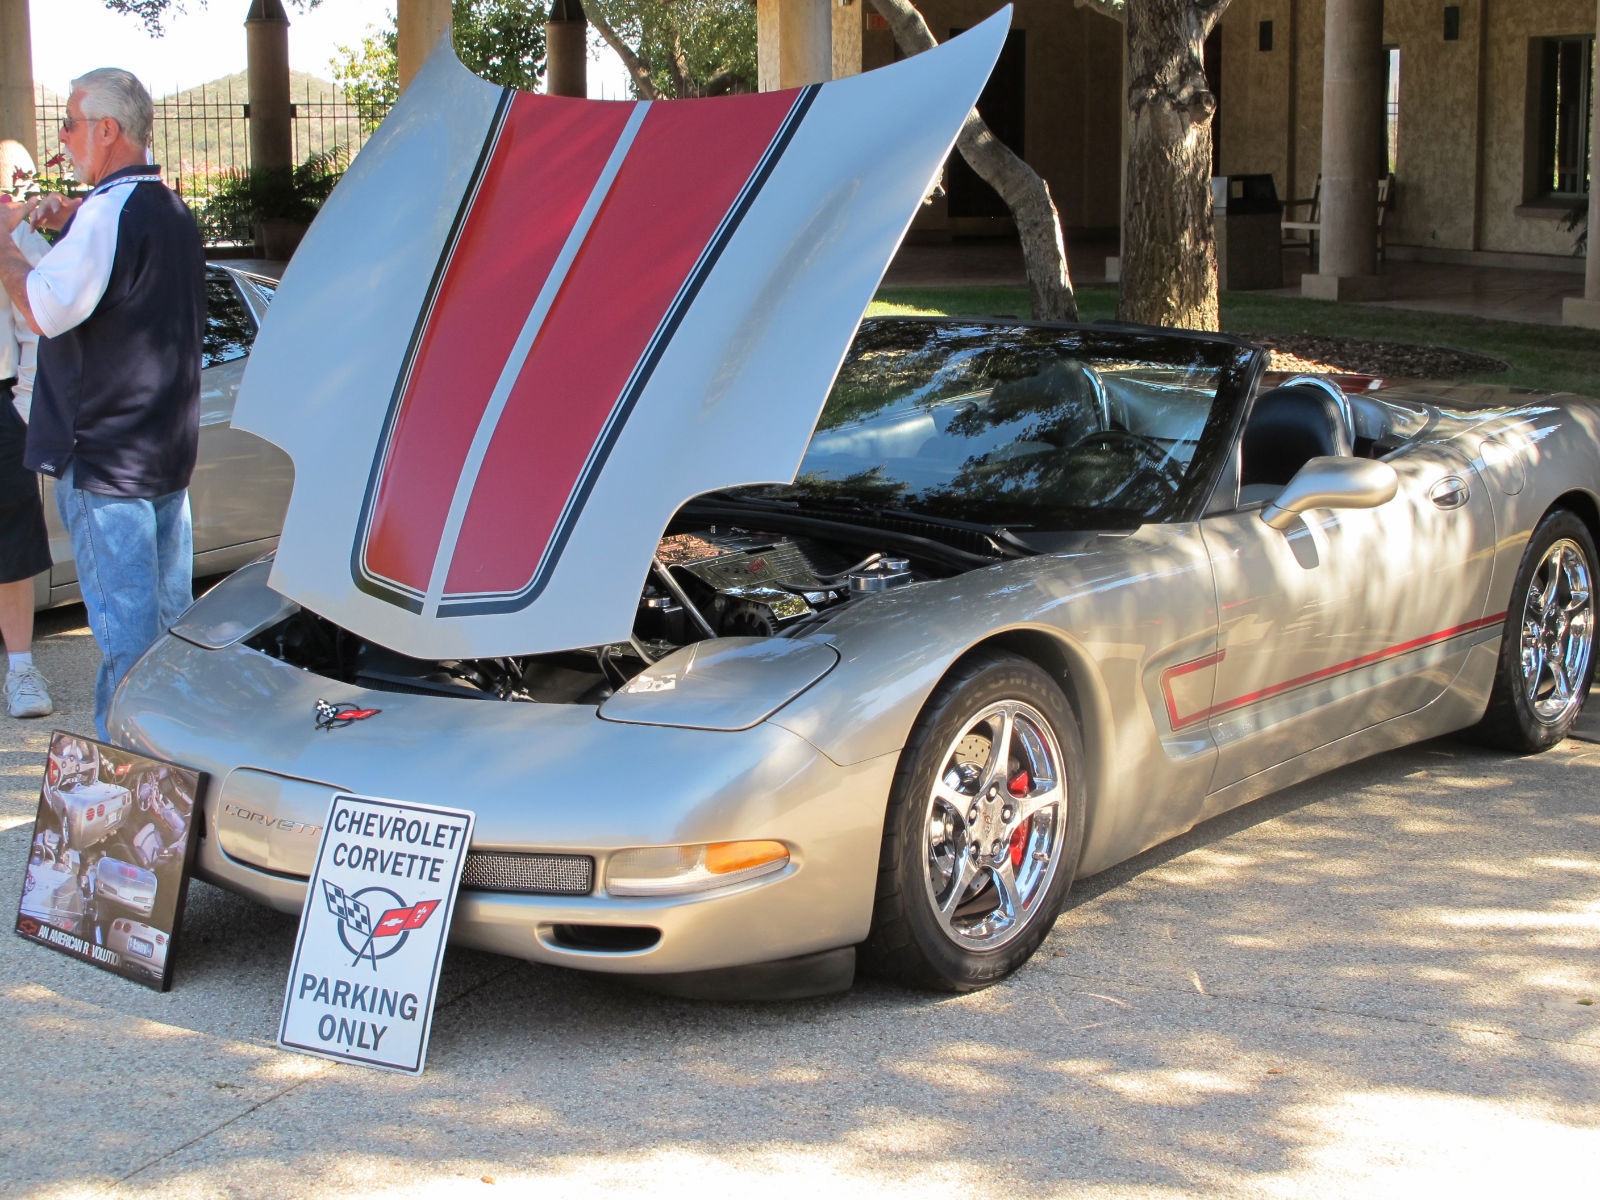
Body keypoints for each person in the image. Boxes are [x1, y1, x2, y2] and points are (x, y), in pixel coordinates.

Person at [0, 69, 205, 739]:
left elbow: (45, 306)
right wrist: (72, 219)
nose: (61, 139)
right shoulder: (170, 210)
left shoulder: (108, 214)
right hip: (162, 459)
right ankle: (178, 786)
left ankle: (126, 806)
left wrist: (3, 245)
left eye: (68, 123)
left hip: (106, 461)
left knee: (131, 646)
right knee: (167, 638)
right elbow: (106, 293)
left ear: (106, 130)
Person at [0, 139, 53, 718]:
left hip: (0, 405)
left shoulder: (14, 237)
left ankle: (21, 672)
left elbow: (41, 318)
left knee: (9, 544)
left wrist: (23, 408)